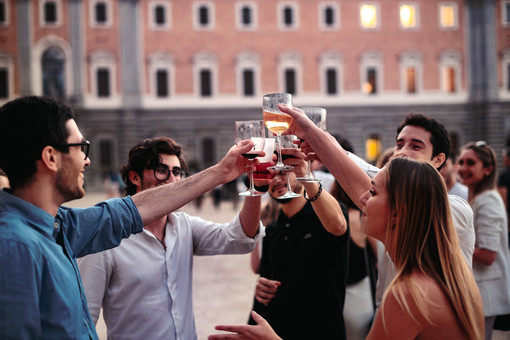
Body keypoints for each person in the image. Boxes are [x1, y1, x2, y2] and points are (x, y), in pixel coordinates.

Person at [0, 96, 259, 339]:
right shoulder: (14, 246)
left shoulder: (63, 226)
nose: (87, 161)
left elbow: (129, 212)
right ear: (51, 157)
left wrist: (223, 172)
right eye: (81, 147)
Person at [209, 158, 484, 340]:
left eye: (373, 192)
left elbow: (337, 222)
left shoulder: (409, 295)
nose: (362, 198)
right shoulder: (444, 279)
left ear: (399, 213)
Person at [279, 108, 475, 309]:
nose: (403, 151)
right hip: (388, 308)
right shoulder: (386, 196)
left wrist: (319, 139)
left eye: (416, 146)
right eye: (399, 144)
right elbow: (376, 181)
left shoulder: (455, 208)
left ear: (438, 160)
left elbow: (378, 187)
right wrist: (327, 146)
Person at [78, 137, 264, 340]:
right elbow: (83, 321)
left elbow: (239, 238)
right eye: (161, 170)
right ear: (134, 178)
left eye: (177, 172)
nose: (172, 179)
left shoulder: (184, 226)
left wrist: (255, 188)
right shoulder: (107, 238)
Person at [249, 146, 350, 339]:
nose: (277, 179)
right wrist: (261, 287)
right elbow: (266, 288)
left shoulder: (325, 216)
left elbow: (338, 225)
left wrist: (306, 176)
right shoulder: (272, 231)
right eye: (271, 174)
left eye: (283, 171)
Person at [458, 141, 510, 339]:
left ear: (488, 169)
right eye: (461, 161)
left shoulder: (488, 200)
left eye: (470, 163)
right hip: (479, 290)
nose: (462, 168)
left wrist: (448, 243)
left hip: (486, 292)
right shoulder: (477, 196)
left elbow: (487, 255)